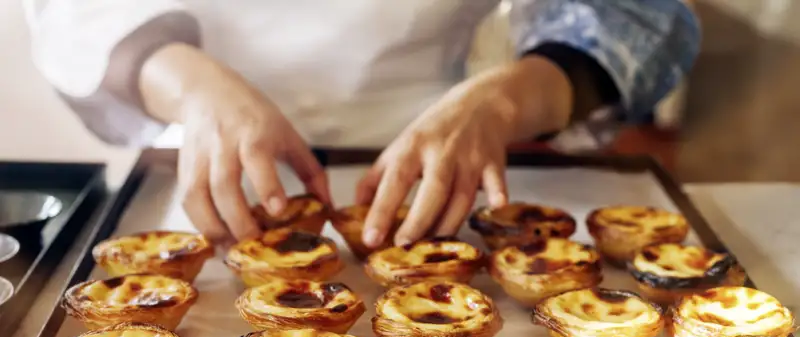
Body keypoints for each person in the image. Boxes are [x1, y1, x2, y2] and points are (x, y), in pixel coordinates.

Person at [25, 1, 699, 248]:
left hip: (432, 167)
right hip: (194, 168)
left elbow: (639, 15)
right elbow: (72, 14)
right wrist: (192, 87)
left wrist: (504, 99)